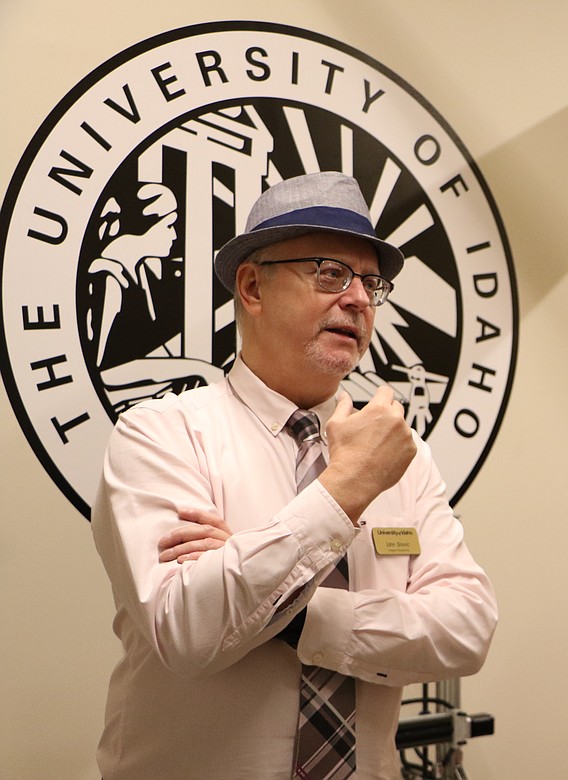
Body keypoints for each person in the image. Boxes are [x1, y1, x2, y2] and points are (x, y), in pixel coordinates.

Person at [90, 171, 498, 779]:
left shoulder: (402, 457)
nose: (359, 299)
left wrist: (298, 616)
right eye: (331, 273)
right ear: (253, 286)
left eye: (370, 282)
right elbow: (185, 630)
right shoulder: (161, 435)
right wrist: (345, 491)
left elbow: (466, 628)